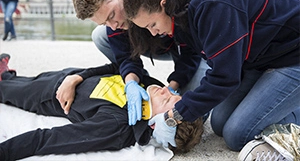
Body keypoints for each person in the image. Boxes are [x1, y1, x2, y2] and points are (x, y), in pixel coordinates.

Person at [122, 0, 300, 155]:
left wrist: (175, 114)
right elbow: (201, 63)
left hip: (293, 55)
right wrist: (183, 97)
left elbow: (225, 77)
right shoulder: (182, 17)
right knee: (219, 122)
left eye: (152, 24)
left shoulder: (210, 3)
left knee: (237, 134)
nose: (153, 33)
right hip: (261, 60)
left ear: (163, 3)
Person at [0, 53, 203, 161]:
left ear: (155, 124)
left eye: (167, 100)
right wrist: (77, 77)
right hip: (73, 76)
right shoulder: (149, 87)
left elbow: (50, 138)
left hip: (50, 94)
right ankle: (8, 74)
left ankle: (5, 78)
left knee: (7, 92)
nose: (166, 90)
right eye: (174, 94)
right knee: (23, 81)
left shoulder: (117, 125)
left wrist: (5, 152)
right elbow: (116, 67)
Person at [71, 0, 209, 126]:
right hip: (153, 47)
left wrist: (172, 86)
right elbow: (126, 57)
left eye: (112, 15)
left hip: (190, 48)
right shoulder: (115, 23)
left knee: (194, 114)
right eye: (105, 22)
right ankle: (143, 82)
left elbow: (190, 53)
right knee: (100, 35)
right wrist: (131, 83)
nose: (113, 25)